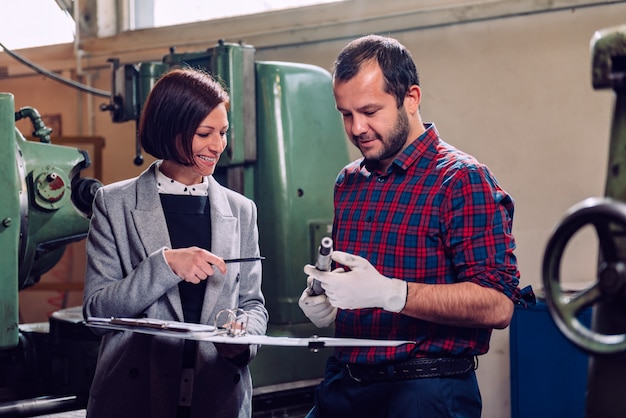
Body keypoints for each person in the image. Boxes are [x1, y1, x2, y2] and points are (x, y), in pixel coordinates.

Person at [298, 35, 535, 418]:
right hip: (344, 383)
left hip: (425, 391)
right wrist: (330, 304)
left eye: (370, 111)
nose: (357, 127)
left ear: (411, 98)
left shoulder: (462, 180)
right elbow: (359, 286)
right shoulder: (349, 181)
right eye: (346, 113)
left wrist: (393, 293)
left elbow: (497, 304)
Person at [83, 68, 268, 418]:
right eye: (204, 133)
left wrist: (242, 344)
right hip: (134, 399)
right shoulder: (114, 204)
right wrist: (164, 266)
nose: (218, 146)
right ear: (172, 129)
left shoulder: (242, 210)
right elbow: (96, 313)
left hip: (218, 397)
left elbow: (253, 305)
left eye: (223, 133)